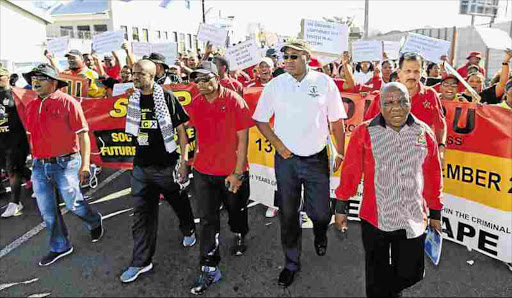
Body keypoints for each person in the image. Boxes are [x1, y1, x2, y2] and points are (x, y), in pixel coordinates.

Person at [253, 39, 347, 288]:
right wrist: (279, 145)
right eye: (286, 57)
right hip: (287, 161)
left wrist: (340, 152)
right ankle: (291, 263)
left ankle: (319, 231)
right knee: (288, 215)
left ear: (307, 57)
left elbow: (337, 122)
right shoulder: (275, 85)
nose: (289, 61)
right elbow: (261, 120)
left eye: (294, 56)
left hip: (316, 158)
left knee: (320, 213)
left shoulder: (324, 83)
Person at [335, 82, 443, 297]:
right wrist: (341, 207)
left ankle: (387, 291)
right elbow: (351, 173)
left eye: (403, 101)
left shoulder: (424, 133)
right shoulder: (364, 132)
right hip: (376, 217)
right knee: (376, 273)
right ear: (380, 105)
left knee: (412, 273)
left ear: (410, 103)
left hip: (412, 215)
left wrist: (436, 212)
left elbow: (433, 176)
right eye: (389, 103)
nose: (397, 108)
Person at [120, 60, 196, 283]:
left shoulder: (167, 98)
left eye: (140, 74)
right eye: (133, 73)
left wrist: (184, 161)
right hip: (141, 168)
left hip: (167, 166)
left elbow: (182, 132)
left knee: (179, 203)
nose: (134, 77)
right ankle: (141, 262)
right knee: (142, 216)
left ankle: (189, 229)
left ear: (152, 76)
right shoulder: (132, 98)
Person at [22, 63, 104, 266]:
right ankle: (60, 246)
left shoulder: (68, 103)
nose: (35, 82)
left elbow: (83, 135)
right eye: (33, 79)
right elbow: (31, 136)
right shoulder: (31, 105)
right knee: (48, 211)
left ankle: (94, 220)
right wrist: (33, 159)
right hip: (40, 165)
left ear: (53, 82)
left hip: (66, 163)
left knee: (74, 204)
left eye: (40, 78)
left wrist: (85, 165)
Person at [186, 63, 254, 295]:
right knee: (207, 220)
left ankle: (239, 232)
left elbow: (243, 140)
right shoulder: (195, 103)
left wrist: (237, 173)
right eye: (197, 80)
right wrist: (187, 163)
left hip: (230, 173)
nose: (202, 84)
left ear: (217, 77)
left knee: (237, 211)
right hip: (203, 172)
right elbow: (192, 132)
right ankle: (209, 266)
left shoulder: (235, 100)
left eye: (206, 79)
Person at [365, 52, 447, 165]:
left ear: (422, 72)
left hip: (421, 163)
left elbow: (440, 125)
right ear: (399, 72)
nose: (412, 76)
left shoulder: (431, 95)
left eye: (416, 71)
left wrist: (441, 148)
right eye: (408, 71)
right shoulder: (382, 96)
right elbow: (367, 129)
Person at [0, 66, 32, 217]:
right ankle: (34, 178)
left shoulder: (18, 94)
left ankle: (15, 202)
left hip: (17, 139)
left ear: (7, 76)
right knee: (9, 168)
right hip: (1, 140)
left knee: (12, 170)